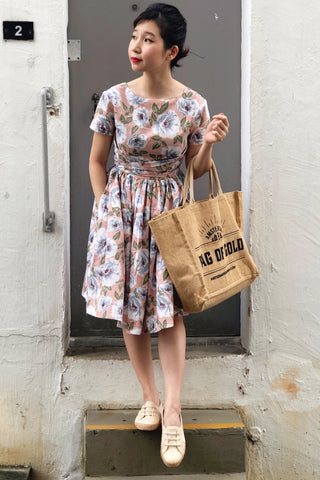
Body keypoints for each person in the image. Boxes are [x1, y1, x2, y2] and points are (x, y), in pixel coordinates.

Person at [82, 2, 229, 468]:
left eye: (147, 39)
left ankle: (172, 412)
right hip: (121, 214)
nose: (135, 46)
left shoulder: (192, 104)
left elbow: (196, 169)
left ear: (171, 50)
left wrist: (207, 142)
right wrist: (106, 207)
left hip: (168, 212)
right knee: (130, 307)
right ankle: (148, 397)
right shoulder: (114, 98)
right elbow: (96, 160)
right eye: (134, 36)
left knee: (169, 311)